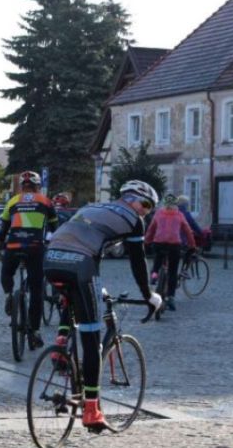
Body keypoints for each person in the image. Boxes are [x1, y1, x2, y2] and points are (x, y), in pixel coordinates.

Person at [43, 180, 163, 431]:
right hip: (80, 264)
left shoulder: (92, 207)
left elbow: (84, 250)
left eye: (150, 207)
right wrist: (149, 295)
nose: (146, 211)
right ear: (132, 199)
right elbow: (138, 261)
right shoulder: (133, 219)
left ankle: (61, 344)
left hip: (51, 260)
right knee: (91, 340)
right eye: (145, 204)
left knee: (75, 294)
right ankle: (92, 410)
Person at [0, 171, 59, 350]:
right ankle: (35, 331)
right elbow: (55, 228)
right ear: (37, 186)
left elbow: (3, 229)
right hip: (35, 248)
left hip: (13, 246)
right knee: (36, 290)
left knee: (7, 272)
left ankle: (8, 295)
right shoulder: (45, 201)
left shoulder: (13, 201)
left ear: (22, 186)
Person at [145, 194, 196, 311]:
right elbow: (188, 231)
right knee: (173, 271)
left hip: (159, 243)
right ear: (175, 204)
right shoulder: (179, 215)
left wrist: (147, 241)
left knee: (157, 263)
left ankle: (154, 277)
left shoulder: (158, 214)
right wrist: (192, 245)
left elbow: (151, 229)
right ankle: (171, 298)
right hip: (174, 245)